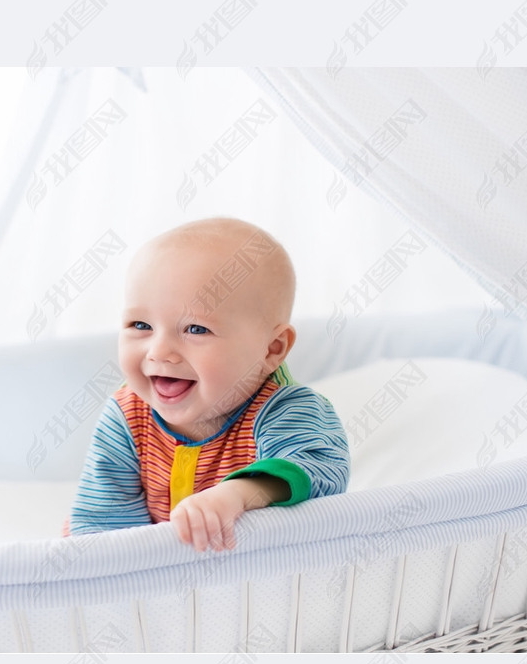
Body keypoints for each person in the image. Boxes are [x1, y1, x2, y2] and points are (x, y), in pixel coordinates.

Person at [68, 217, 349, 551]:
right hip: (162, 580)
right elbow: (103, 525)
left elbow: (320, 470)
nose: (159, 351)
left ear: (272, 349)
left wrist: (237, 495)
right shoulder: (127, 416)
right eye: (140, 324)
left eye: (196, 329)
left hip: (259, 575)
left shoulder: (285, 410)